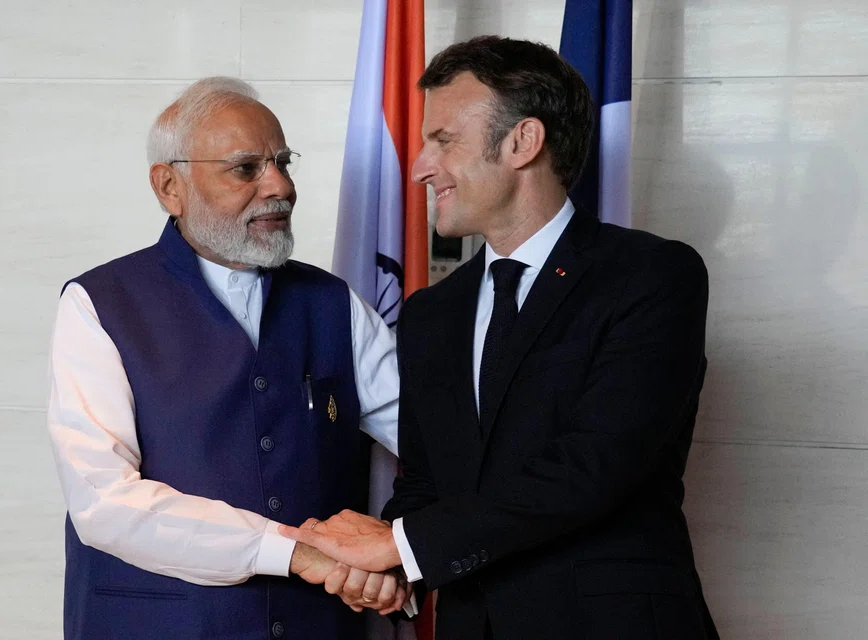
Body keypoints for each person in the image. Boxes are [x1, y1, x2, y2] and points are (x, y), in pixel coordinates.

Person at [281, 36, 720, 640]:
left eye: (444, 140)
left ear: (523, 142)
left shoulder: (651, 276)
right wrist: (393, 573)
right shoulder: (434, 311)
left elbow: (595, 466)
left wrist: (401, 546)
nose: (418, 167)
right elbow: (425, 481)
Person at [46, 76, 410, 640]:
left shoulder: (335, 303)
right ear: (170, 187)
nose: (280, 186)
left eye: (283, 163)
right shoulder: (99, 304)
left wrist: (399, 552)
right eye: (247, 169)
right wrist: (294, 552)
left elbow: (436, 444)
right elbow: (104, 501)